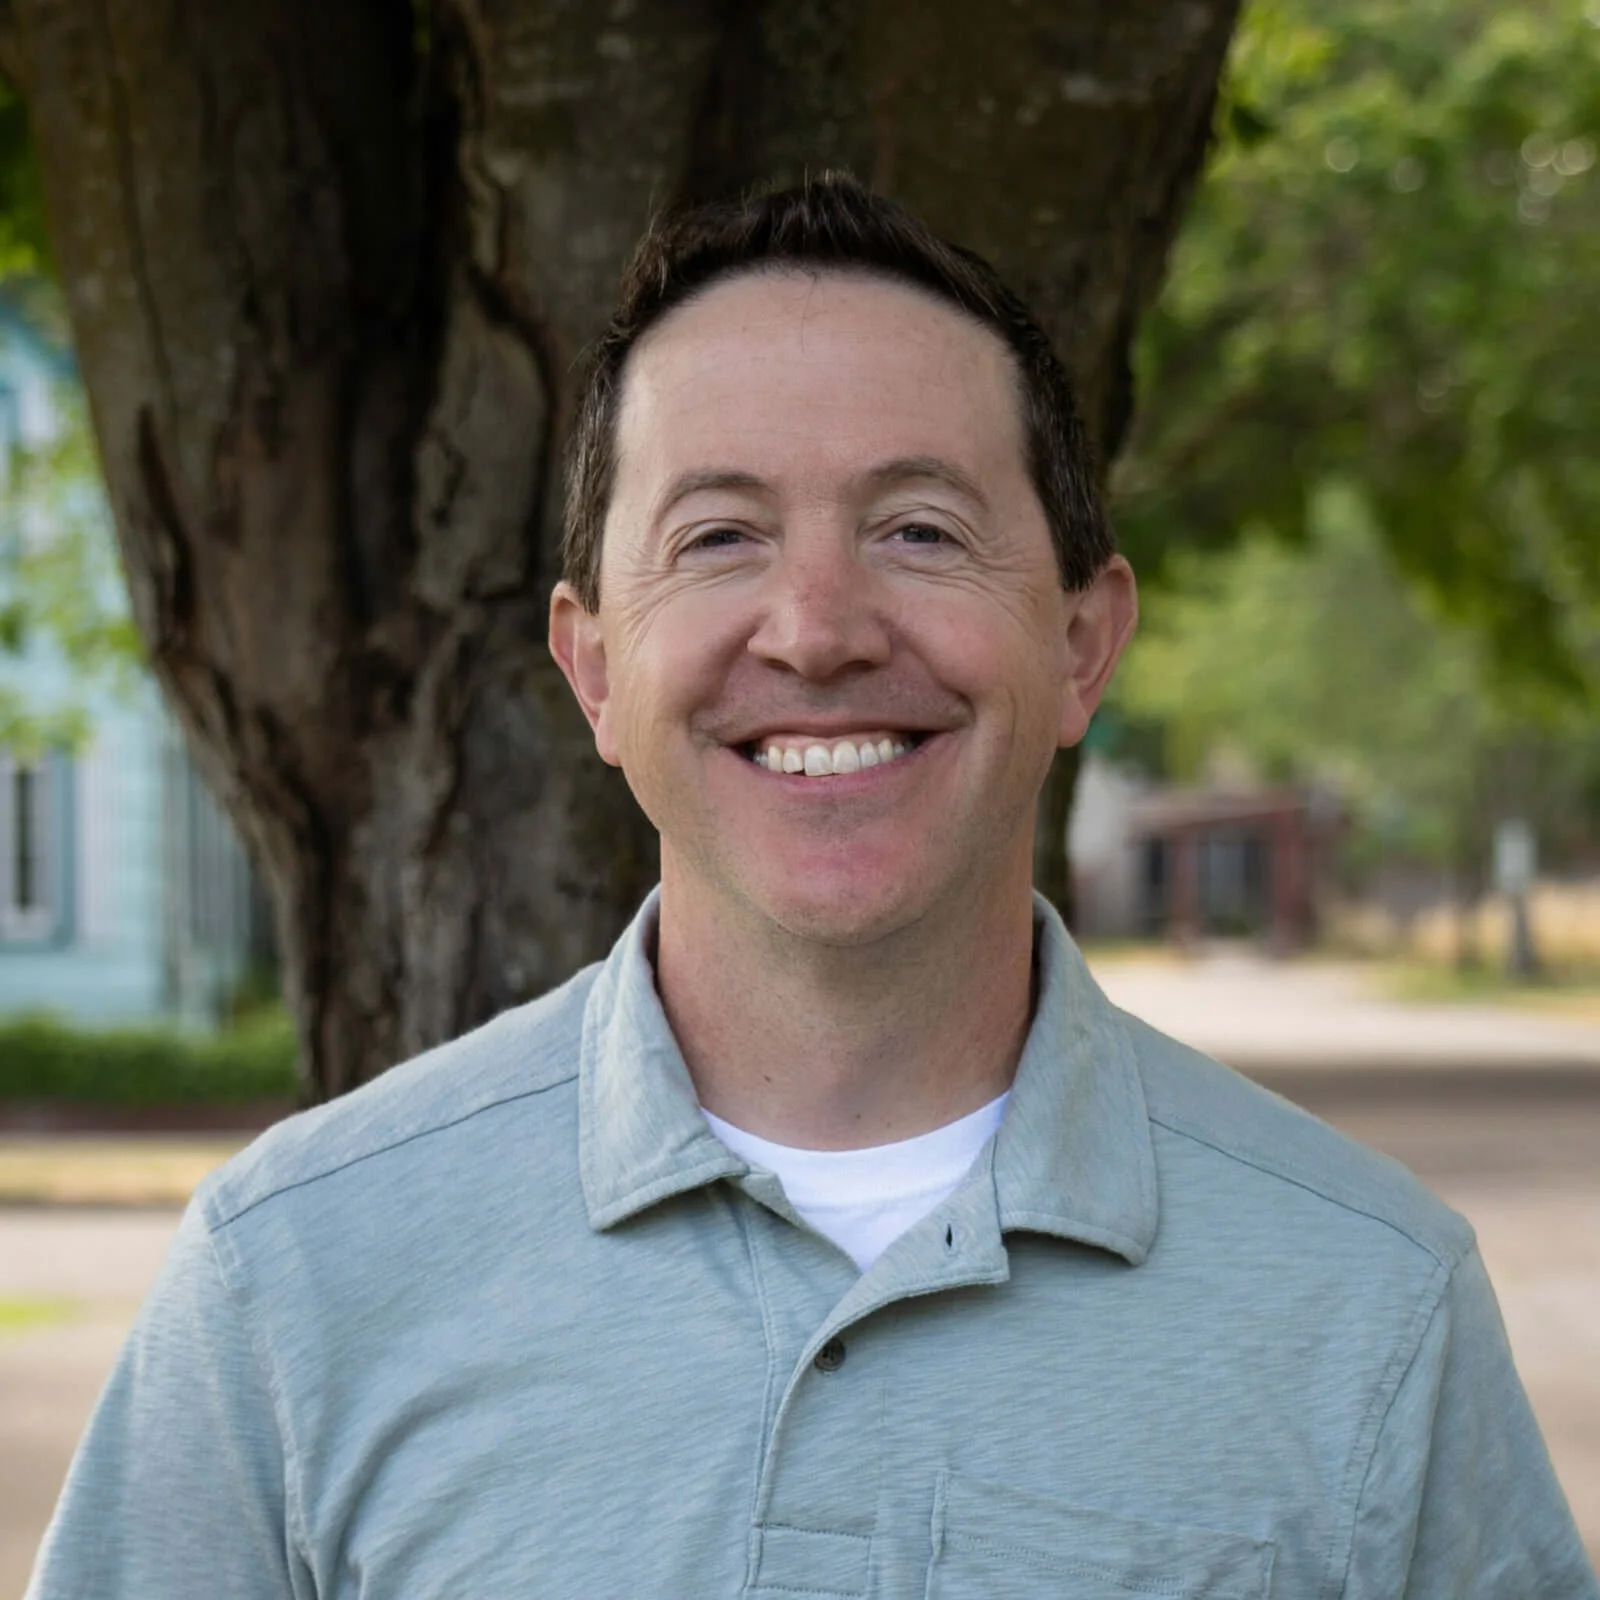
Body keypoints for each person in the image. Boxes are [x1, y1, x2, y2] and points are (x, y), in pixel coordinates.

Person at [28, 175, 1596, 1599]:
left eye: (920, 528)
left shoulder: (1374, 1311)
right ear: (593, 668)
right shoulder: (293, 1279)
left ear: (1080, 643)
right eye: (719, 536)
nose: (819, 625)